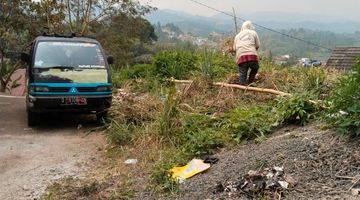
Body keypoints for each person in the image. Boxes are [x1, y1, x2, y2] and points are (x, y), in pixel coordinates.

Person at [233, 21, 260, 85]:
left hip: (241, 58)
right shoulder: (253, 33)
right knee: (255, 68)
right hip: (252, 56)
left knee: (243, 73)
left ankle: (242, 87)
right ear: (250, 27)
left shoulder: (237, 36)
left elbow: (234, 49)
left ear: (242, 27)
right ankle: (250, 81)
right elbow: (257, 45)